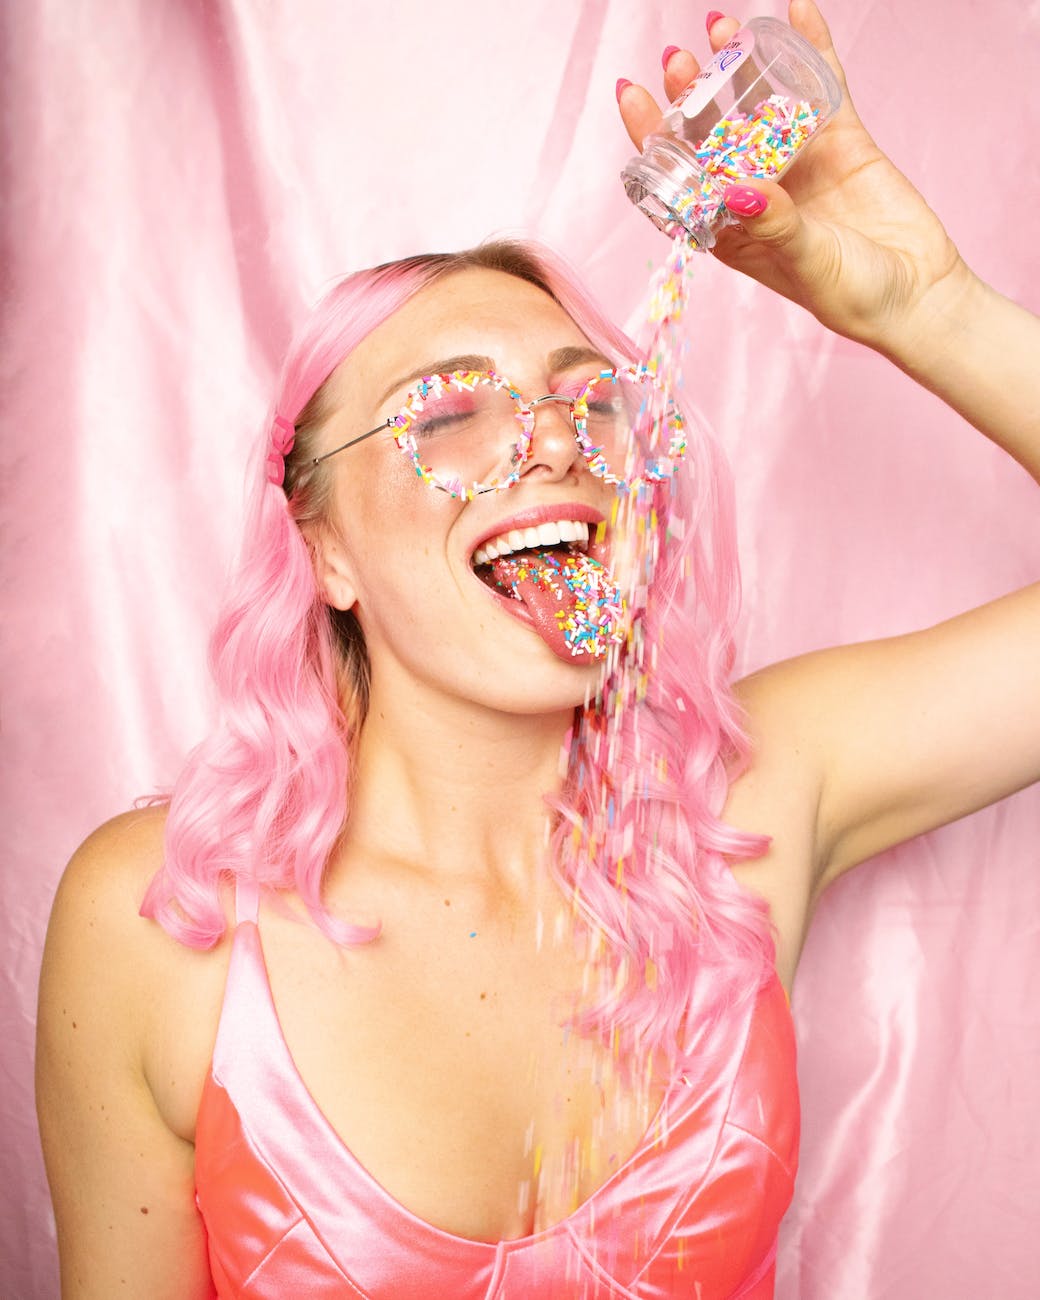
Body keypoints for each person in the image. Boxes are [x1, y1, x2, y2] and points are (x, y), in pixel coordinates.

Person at [35, 2, 1039, 1296]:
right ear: (323, 550)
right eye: (449, 413)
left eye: (587, 400)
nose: (556, 441)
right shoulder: (163, 920)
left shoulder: (750, 802)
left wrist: (925, 304)